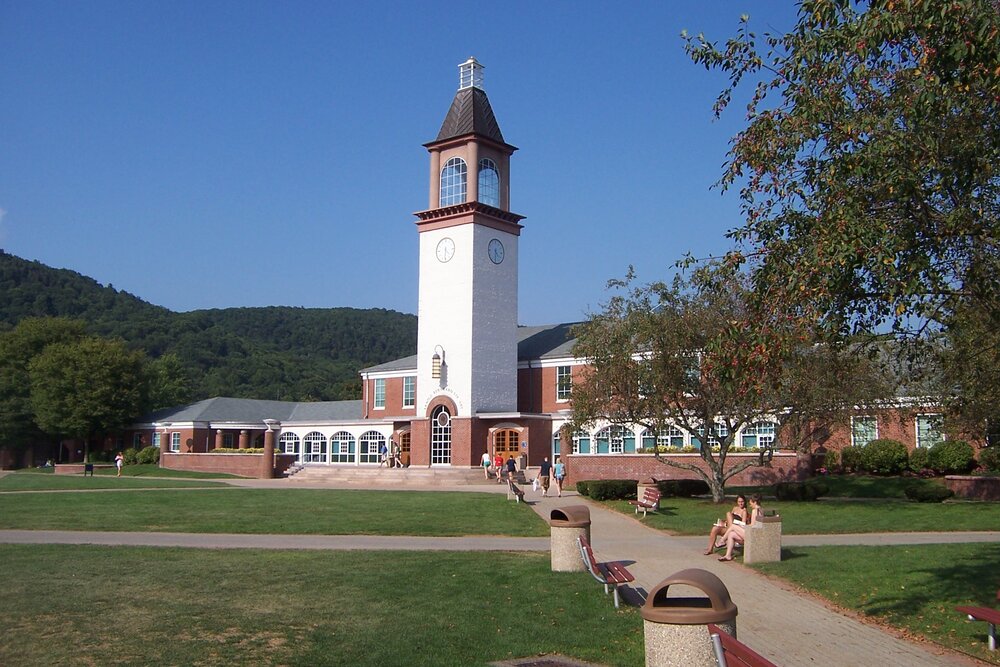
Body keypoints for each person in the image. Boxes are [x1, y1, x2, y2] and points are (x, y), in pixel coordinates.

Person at [718, 494, 763, 562]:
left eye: (751, 503)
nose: (750, 505)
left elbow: (753, 525)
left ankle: (722, 541)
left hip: (752, 534)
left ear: (755, 502)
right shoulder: (761, 509)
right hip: (754, 533)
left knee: (733, 526)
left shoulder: (755, 511)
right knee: (731, 534)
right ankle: (728, 555)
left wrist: (743, 526)